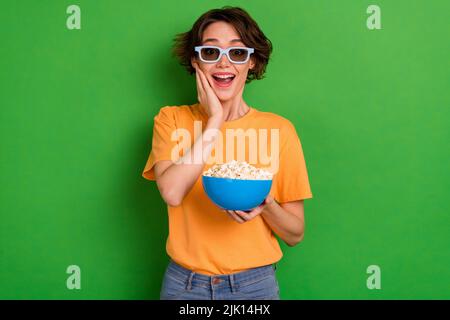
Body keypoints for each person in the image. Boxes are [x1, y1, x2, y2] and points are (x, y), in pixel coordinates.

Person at [142, 6, 313, 300]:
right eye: (210, 53)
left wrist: (266, 205)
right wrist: (215, 121)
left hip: (254, 286)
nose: (223, 63)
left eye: (237, 53)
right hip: (184, 286)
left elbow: (295, 234)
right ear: (196, 62)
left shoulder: (279, 130)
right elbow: (171, 192)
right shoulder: (171, 119)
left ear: (253, 62)